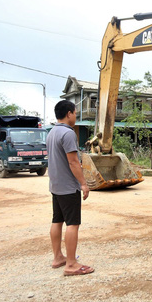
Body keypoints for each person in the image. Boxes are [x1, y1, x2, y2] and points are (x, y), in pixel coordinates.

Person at [47, 100, 94, 276]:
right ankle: (72, 264)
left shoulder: (51, 133)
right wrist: (83, 183)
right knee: (73, 224)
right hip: (68, 187)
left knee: (57, 220)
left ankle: (58, 257)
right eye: (75, 113)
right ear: (69, 114)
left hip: (56, 185)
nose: (75, 116)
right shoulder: (67, 134)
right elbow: (73, 161)